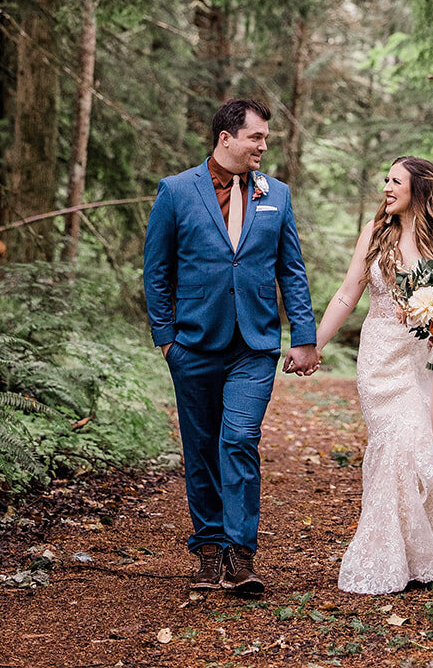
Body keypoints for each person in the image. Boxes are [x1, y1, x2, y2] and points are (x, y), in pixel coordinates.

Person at [143, 97, 319, 597]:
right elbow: (156, 271)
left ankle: (241, 554)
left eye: (265, 137)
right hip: (192, 344)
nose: (264, 145)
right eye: (256, 137)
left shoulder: (277, 195)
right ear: (227, 139)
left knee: (238, 438)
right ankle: (208, 550)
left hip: (254, 344)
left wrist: (303, 337)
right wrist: (166, 341)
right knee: (200, 448)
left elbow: (292, 270)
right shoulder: (176, 191)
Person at [315, 157, 433, 594]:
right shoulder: (376, 233)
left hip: (426, 361)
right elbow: (346, 294)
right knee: (392, 448)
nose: (386, 188)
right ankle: (386, 553)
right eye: (386, 180)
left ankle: (417, 553)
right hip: (379, 360)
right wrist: (314, 345)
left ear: (420, 189)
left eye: (395, 181)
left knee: (417, 449)